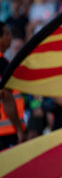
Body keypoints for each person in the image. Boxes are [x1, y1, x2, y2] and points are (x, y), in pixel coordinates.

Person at [0, 22, 26, 150]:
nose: (9, 37)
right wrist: (19, 130)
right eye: (6, 34)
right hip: (6, 133)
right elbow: (6, 98)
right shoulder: (2, 65)